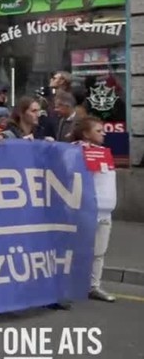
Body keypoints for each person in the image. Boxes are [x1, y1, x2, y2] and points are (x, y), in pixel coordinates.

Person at [72, 116, 117, 303]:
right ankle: (70, 286)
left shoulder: (104, 152)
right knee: (78, 250)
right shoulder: (77, 151)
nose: (103, 133)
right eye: (98, 131)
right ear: (86, 133)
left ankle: (94, 286)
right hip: (88, 210)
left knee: (99, 251)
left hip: (106, 211)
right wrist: (78, 149)